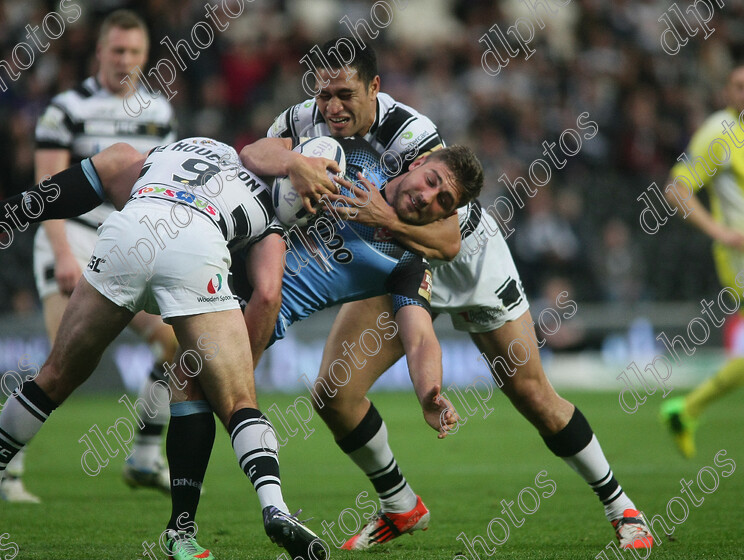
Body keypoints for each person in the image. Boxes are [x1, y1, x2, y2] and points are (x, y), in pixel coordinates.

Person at [262, 37, 653, 551]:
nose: (334, 107)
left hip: (467, 259)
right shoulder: (305, 119)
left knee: (530, 393)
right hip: (396, 263)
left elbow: (446, 240)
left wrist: (384, 216)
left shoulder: (412, 133)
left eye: (346, 96)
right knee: (333, 394)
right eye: (326, 94)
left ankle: (622, 507)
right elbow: (260, 154)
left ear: (372, 89)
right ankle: (401, 504)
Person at [0, 138, 327, 560]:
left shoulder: (196, 147)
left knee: (55, 375)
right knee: (235, 402)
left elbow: (113, 172)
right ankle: (264, 511)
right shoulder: (272, 219)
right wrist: (243, 360)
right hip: (195, 250)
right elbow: (268, 295)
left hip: (130, 230)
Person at [0, 9, 179, 503]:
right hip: (74, 237)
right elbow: (46, 189)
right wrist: (62, 253)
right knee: (65, 364)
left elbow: (161, 189)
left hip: (130, 243)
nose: (125, 60)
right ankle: (4, 472)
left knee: (178, 343)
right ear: (99, 51)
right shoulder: (65, 108)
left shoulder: (159, 112)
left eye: (135, 53)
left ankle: (145, 455)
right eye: (117, 50)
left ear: (146, 57)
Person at [661, 64, 744, 458]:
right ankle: (687, 408)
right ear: (727, 91)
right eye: (739, 86)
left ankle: (687, 409)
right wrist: (721, 232)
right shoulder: (719, 133)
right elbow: (676, 190)